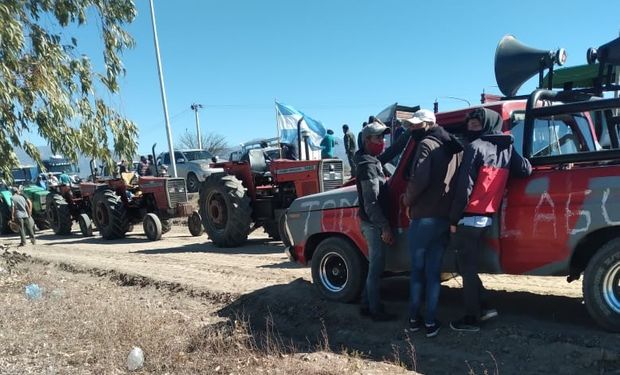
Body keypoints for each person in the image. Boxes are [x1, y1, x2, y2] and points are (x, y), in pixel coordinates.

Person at [449, 108, 532, 332]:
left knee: (464, 267)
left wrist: (454, 219)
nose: (470, 128)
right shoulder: (507, 147)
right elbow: (524, 169)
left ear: (488, 125)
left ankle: (472, 318)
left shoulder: (474, 148)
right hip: (487, 218)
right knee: (467, 265)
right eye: (470, 124)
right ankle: (484, 306)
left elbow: (463, 188)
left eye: (476, 125)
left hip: (468, 217)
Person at [402, 109, 463, 338]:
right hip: (443, 218)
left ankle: (414, 319)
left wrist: (406, 200)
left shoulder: (426, 144)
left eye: (415, 126)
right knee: (434, 273)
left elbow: (419, 180)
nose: (412, 130)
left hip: (423, 218)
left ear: (427, 124)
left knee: (417, 272)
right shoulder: (453, 147)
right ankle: (430, 322)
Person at [354, 121, 395, 321]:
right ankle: (375, 311)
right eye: (378, 138)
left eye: (383, 137)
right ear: (367, 140)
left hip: (372, 222)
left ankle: (365, 304)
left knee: (375, 266)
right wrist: (384, 227)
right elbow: (371, 203)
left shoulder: (371, 160)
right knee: (376, 268)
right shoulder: (368, 166)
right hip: (373, 224)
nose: (382, 141)